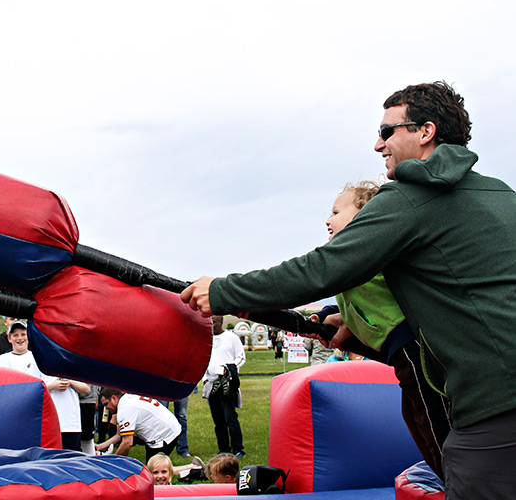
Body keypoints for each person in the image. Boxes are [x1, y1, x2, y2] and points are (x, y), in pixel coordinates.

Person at [181, 81, 516, 499]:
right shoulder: (500, 194)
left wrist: (226, 290)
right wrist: (355, 322)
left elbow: (323, 269)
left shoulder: (412, 197)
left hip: (494, 405)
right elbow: (463, 294)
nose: (378, 145)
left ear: (425, 131)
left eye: (387, 131)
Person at [302, 181, 450, 478]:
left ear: (365, 217)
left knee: (433, 423)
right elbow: (361, 299)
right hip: (402, 357)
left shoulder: (373, 248)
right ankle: (448, 477)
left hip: (415, 348)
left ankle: (459, 481)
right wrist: (335, 316)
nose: (327, 220)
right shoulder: (354, 257)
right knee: (415, 418)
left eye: (335, 211)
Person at [0, 320, 90, 450]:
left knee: (70, 456)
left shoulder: (64, 359)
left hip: (70, 422)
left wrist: (69, 381)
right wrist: (52, 386)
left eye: (23, 334)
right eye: (15, 335)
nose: (20, 338)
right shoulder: (33, 361)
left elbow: (86, 389)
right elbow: (29, 389)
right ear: (9, 338)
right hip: (44, 420)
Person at [95, 388, 181, 461]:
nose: (106, 408)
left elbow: (127, 443)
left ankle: (189, 469)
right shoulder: (126, 399)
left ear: (114, 398)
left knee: (154, 472)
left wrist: (113, 463)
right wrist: (100, 446)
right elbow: (119, 435)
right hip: (168, 428)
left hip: (164, 435)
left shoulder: (125, 409)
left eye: (106, 404)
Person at [202, 316, 245, 458]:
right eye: (210, 322)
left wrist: (229, 369)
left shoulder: (231, 338)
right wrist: (204, 378)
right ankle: (223, 448)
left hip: (227, 382)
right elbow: (202, 359)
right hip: (211, 383)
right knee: (218, 419)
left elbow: (241, 357)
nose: (212, 325)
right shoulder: (206, 338)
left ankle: (238, 449)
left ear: (221, 322)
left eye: (214, 322)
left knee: (230, 417)